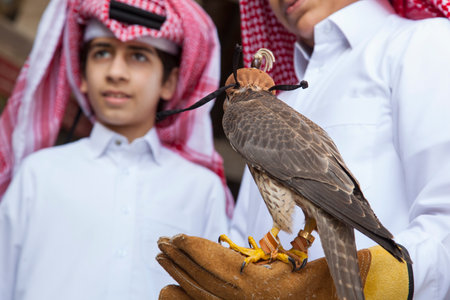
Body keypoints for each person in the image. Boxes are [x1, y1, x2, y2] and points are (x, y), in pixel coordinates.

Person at [157, 0, 450, 299]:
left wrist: (361, 283)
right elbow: (247, 229)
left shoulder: (423, 43)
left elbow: (446, 224)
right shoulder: (280, 95)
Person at [0, 0, 233, 299]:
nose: (116, 72)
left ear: (169, 82)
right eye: (102, 53)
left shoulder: (202, 191)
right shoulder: (37, 174)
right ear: (82, 75)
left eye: (138, 55)